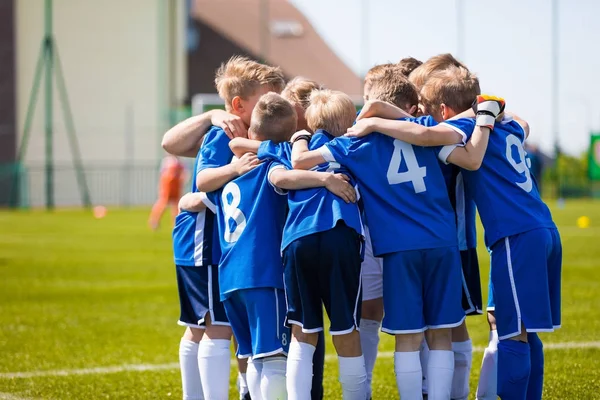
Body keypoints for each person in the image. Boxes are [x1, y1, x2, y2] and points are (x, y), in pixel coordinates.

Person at [291, 83, 470, 400]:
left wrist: (300, 135)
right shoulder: (422, 127)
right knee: (441, 333)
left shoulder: (353, 144)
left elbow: (301, 162)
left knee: (408, 338)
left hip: (400, 248)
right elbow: (456, 140)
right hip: (442, 241)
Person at [149, 155, 186, 230]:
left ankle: (176, 222)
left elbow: (184, 174)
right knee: (163, 202)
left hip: (176, 185)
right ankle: (154, 221)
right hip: (167, 186)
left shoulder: (179, 162)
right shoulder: (167, 161)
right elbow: (162, 175)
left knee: (176, 204)